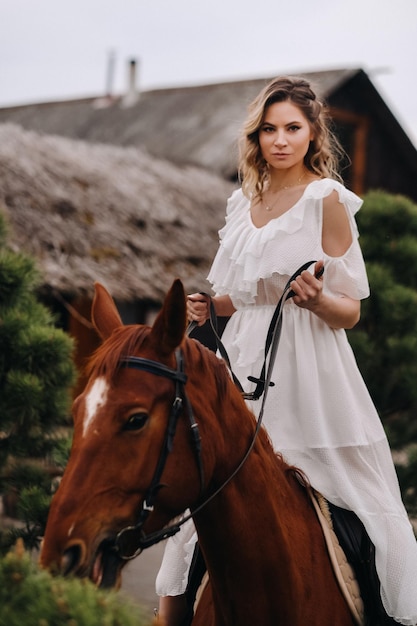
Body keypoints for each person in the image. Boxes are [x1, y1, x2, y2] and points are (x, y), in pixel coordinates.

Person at [156, 76, 417, 626]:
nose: (280, 140)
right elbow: (249, 296)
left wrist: (320, 299)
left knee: (354, 495)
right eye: (269, 129)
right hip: (241, 360)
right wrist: (213, 307)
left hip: (311, 365)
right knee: (208, 494)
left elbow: (352, 309)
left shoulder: (327, 200)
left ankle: (384, 611)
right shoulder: (241, 202)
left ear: (313, 133)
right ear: (257, 137)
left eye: (292, 128)